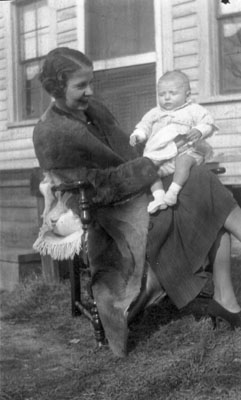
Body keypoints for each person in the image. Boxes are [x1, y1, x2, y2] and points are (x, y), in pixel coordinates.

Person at [33, 47, 241, 357]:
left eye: (91, 82)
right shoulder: (49, 132)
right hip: (108, 213)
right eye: (81, 86)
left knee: (199, 177)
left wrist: (174, 149)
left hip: (140, 188)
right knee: (203, 187)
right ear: (56, 86)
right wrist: (151, 168)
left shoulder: (95, 109)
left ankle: (226, 300)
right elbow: (93, 188)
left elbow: (129, 151)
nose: (90, 91)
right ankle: (226, 299)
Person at [130, 70, 217, 213]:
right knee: (149, 171)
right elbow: (144, 125)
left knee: (184, 161)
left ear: (187, 95)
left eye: (172, 93)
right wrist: (139, 134)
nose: (166, 98)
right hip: (161, 157)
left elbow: (208, 123)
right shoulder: (155, 113)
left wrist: (199, 130)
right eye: (162, 94)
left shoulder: (193, 109)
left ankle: (173, 191)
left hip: (185, 151)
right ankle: (159, 197)